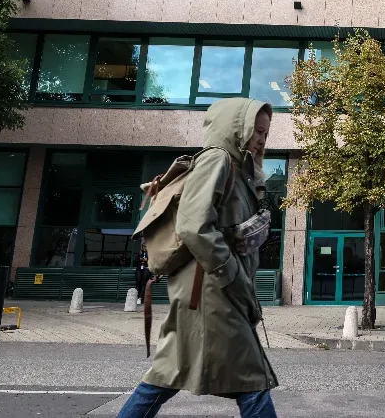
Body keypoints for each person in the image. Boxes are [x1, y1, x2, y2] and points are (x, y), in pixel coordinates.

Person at [118, 98, 279, 418]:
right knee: (252, 380)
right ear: (238, 127)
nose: (262, 139)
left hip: (208, 288)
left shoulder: (238, 169)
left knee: (166, 375)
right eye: (257, 130)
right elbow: (193, 225)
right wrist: (231, 273)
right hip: (210, 290)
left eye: (265, 132)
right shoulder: (217, 159)